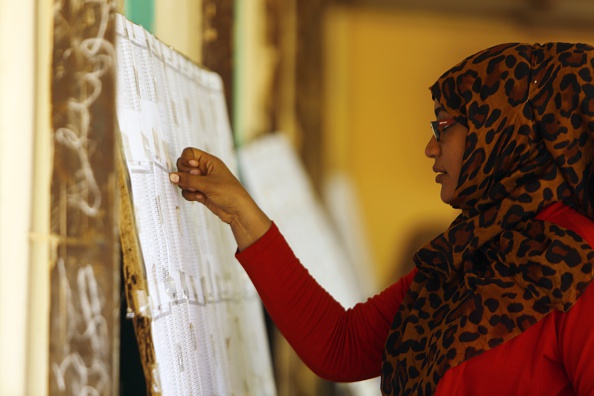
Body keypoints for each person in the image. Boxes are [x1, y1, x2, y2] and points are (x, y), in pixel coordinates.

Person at [168, 42, 594, 395]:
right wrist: (240, 210)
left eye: (445, 125)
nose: (431, 146)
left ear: (507, 133)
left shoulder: (580, 272)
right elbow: (340, 345)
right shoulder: (473, 250)